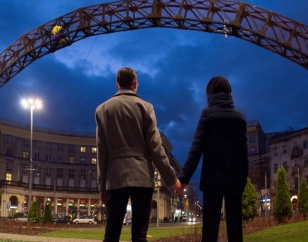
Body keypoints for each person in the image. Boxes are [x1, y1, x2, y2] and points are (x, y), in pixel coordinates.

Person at [96, 67, 182, 242]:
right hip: (142, 177)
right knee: (139, 235)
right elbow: (156, 148)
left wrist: (102, 187)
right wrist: (172, 179)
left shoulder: (102, 110)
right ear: (135, 84)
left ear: (117, 84)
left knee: (111, 234)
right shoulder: (146, 108)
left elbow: (101, 153)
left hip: (115, 178)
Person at [176, 76, 248, 242]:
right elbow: (244, 155)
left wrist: (184, 178)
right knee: (235, 228)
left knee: (210, 229)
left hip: (212, 180)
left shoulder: (208, 115)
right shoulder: (240, 118)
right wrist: (243, 180)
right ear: (230, 94)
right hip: (235, 181)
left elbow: (197, 148)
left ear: (210, 96)